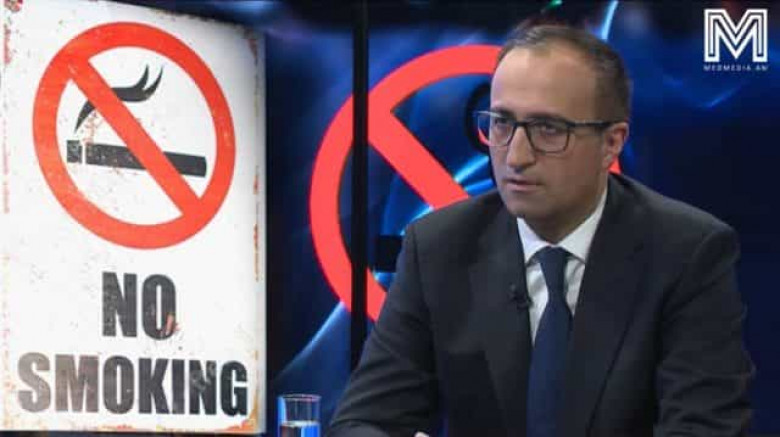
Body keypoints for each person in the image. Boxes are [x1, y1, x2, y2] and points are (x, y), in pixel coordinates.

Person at [328, 23, 753, 437]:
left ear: (612, 142)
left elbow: (704, 427)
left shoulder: (686, 254)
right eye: (501, 123)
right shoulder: (438, 247)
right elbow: (363, 421)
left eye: (548, 129)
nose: (516, 156)